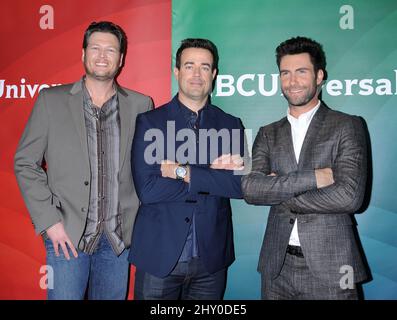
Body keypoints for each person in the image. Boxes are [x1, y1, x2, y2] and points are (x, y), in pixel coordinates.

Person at [14, 21, 153, 300]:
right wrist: (49, 221)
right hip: (67, 236)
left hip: (117, 241)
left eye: (111, 50)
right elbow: (25, 162)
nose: (103, 56)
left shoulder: (141, 105)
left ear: (121, 58)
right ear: (83, 54)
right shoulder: (50, 101)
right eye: (96, 48)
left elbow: (150, 165)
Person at [241, 36, 369, 300]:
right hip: (277, 267)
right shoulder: (268, 133)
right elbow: (251, 189)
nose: (292, 81)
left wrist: (281, 192)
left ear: (319, 76)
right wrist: (314, 177)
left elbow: (350, 196)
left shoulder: (347, 125)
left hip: (333, 267)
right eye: (285, 73)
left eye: (301, 72)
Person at [129, 38, 246, 300]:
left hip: (211, 260)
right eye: (189, 65)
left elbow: (239, 186)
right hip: (160, 256)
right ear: (177, 71)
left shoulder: (231, 124)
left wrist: (181, 171)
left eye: (205, 67)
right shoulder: (150, 122)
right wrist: (212, 176)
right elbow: (148, 190)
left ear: (214, 74)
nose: (196, 74)